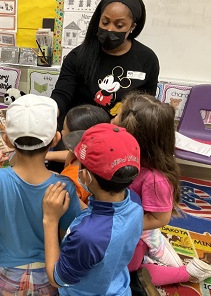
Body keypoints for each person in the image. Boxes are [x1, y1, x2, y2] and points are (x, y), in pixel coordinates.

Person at [0, 94, 81, 295]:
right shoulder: (64, 186)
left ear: (7, 140)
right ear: (55, 139)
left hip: (5, 272)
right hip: (48, 274)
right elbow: (68, 236)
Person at [113, 92, 211, 289]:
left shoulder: (154, 179)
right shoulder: (124, 154)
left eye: (118, 114)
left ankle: (185, 272)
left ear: (129, 130)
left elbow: (160, 218)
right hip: (125, 217)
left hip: (141, 228)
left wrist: (122, 223)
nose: (112, 117)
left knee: (129, 269)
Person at [43, 123, 143, 296]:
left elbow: (57, 279)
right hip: (118, 287)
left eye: (79, 164)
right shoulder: (134, 203)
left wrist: (50, 220)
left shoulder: (87, 236)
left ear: (85, 176)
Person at [51, 0, 159, 121]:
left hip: (120, 134)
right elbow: (62, 95)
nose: (109, 30)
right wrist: (49, 112)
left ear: (132, 27)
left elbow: (146, 108)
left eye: (119, 25)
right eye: (105, 22)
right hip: (79, 132)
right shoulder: (78, 57)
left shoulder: (147, 59)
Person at [46, 104, 110, 204]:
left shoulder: (74, 181)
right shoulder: (81, 156)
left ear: (74, 138)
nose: (62, 132)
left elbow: (68, 207)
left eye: (64, 128)